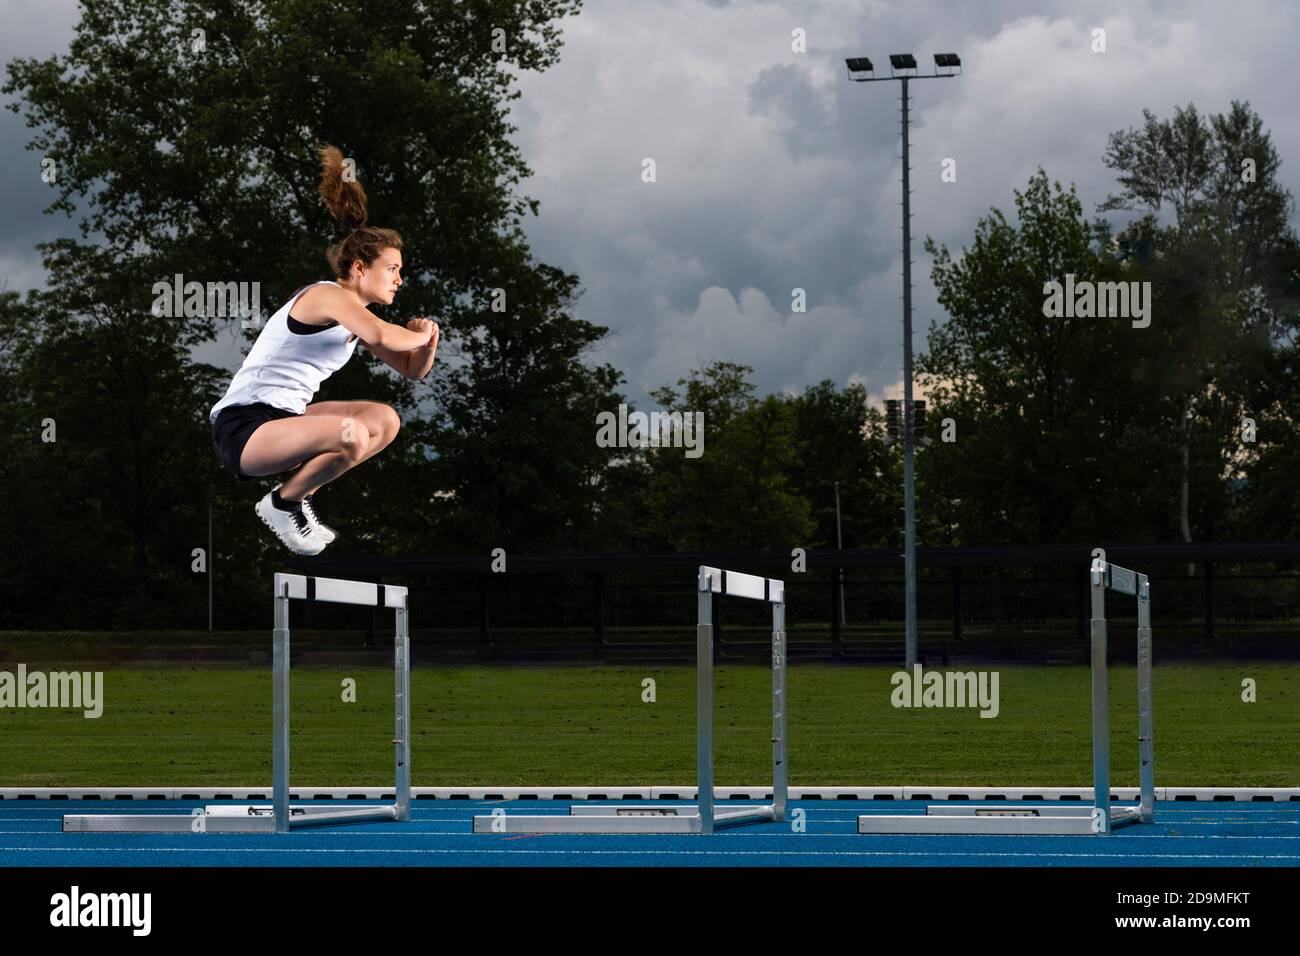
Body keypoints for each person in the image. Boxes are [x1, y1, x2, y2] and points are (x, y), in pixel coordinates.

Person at [209, 144, 439, 554]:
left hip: (288, 420)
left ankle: (297, 497)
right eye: (392, 269)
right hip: (245, 429)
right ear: (358, 269)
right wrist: (418, 335)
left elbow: (412, 370)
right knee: (351, 435)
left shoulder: (356, 320)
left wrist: (430, 338)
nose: (400, 279)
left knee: (384, 420)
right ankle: (283, 504)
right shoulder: (326, 295)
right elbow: (388, 337)